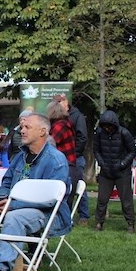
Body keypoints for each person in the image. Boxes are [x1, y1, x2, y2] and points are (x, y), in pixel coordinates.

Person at [0, 113, 72, 271]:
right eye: (22, 127)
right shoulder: (20, 156)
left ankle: (2, 270)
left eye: (27, 127)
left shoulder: (56, 160)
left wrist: (12, 205)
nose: (22, 131)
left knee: (14, 217)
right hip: (11, 207)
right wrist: (1, 199)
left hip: (46, 214)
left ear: (42, 132)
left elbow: (51, 199)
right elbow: (6, 182)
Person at [93, 110, 136, 233]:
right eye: (105, 126)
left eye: (109, 126)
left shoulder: (124, 133)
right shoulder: (99, 134)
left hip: (122, 172)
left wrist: (122, 164)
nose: (107, 129)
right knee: (102, 199)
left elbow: (132, 151)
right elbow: (96, 151)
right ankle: (99, 223)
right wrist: (102, 163)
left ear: (114, 124)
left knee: (126, 200)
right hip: (106, 172)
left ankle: (130, 224)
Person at [54, 94, 89, 225]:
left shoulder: (77, 116)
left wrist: (75, 153)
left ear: (66, 102)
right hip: (65, 157)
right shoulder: (60, 119)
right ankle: (65, 216)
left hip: (75, 157)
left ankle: (84, 215)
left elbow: (82, 137)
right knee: (68, 188)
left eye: (60, 101)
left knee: (79, 187)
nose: (59, 104)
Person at [46, 100, 79, 208]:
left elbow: (49, 144)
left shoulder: (59, 126)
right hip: (69, 165)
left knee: (61, 202)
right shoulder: (65, 124)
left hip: (65, 166)